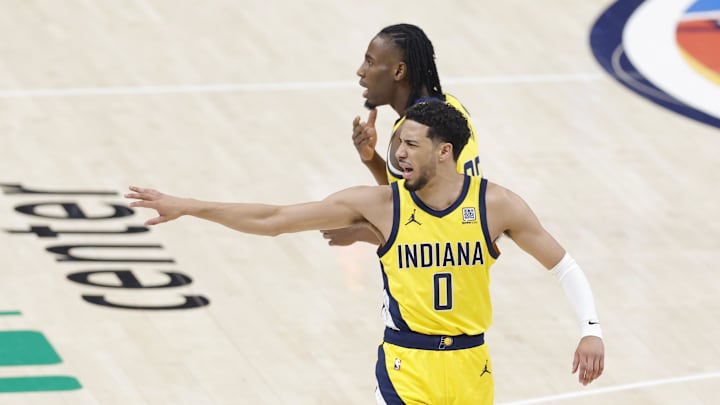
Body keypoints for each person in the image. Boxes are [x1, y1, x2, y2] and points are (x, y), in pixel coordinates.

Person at [126, 101, 604, 404]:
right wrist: (188, 206)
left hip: (471, 368)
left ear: (444, 152)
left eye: (411, 144)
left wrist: (590, 331)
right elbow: (272, 220)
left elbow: (564, 266)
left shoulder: (494, 204)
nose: (398, 153)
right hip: (406, 365)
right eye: (397, 143)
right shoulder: (380, 204)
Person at [322, 23, 482, 246]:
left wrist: (360, 232)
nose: (361, 71)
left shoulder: (413, 133)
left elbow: (416, 225)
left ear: (398, 71)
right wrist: (371, 159)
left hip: (441, 260)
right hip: (468, 246)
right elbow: (404, 197)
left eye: (370, 62)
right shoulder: (452, 107)